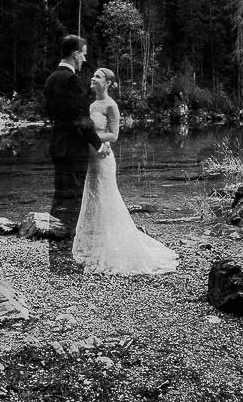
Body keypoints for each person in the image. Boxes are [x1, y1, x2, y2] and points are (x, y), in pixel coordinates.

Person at [73, 67, 179, 275]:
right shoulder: (93, 105)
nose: (92, 79)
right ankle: (94, 247)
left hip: (104, 159)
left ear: (108, 83)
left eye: (98, 77)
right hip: (91, 158)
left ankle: (114, 249)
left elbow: (113, 135)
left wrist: (91, 137)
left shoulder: (111, 105)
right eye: (93, 75)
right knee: (92, 200)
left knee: (106, 199)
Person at [43, 35, 107, 273]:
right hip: (73, 147)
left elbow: (54, 114)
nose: (85, 58)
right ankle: (66, 254)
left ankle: (56, 252)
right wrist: (99, 144)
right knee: (72, 197)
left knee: (60, 197)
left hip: (57, 143)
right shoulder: (71, 80)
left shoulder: (51, 79)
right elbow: (81, 119)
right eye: (84, 53)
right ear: (74, 54)